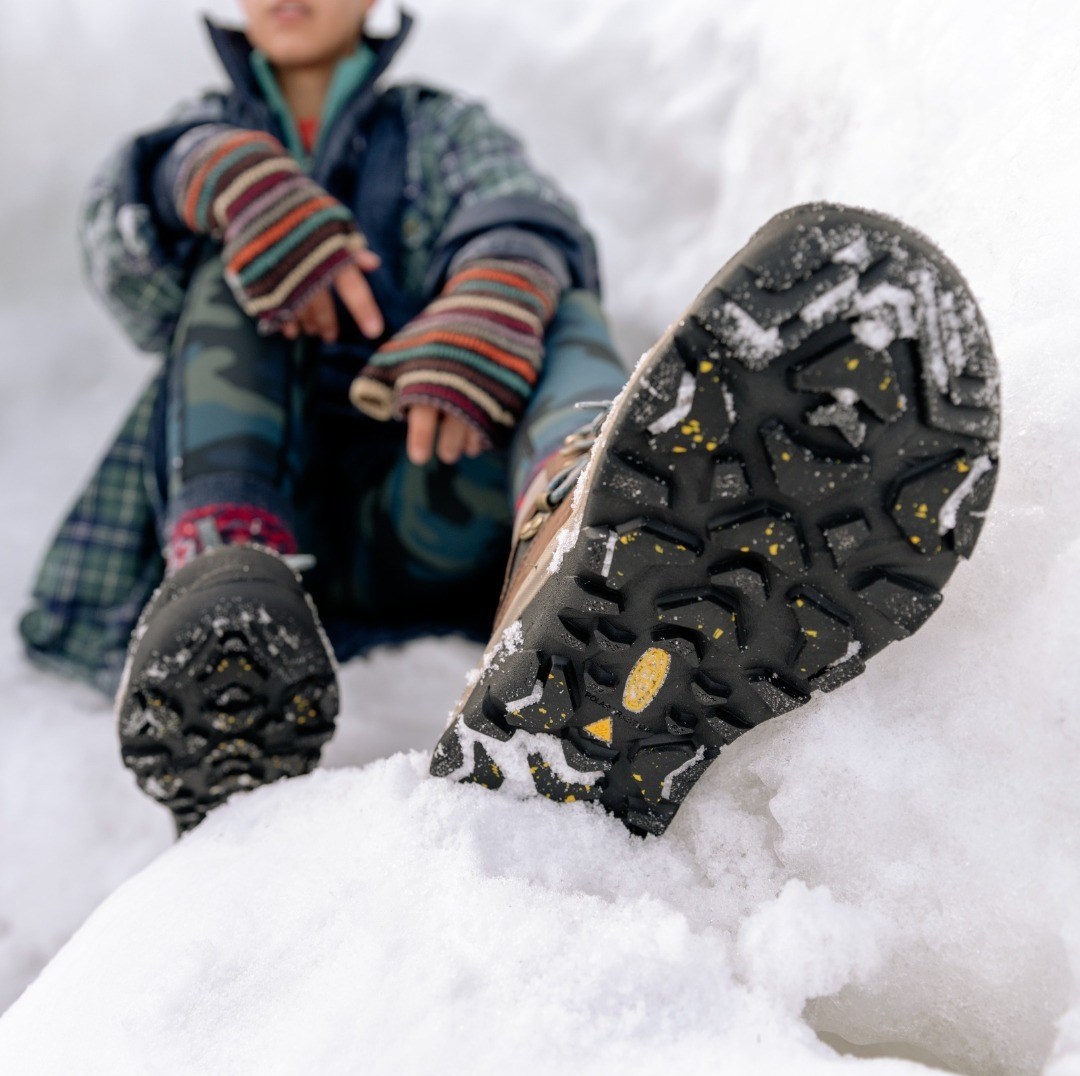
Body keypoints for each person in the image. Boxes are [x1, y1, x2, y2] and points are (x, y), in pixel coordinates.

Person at [19, 0, 1001, 838]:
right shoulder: (193, 133)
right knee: (223, 291)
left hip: (436, 493)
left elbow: (518, 204)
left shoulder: (435, 128)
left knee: (552, 298)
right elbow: (129, 271)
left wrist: (500, 281)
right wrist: (209, 172)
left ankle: (577, 530)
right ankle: (221, 588)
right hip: (281, 532)